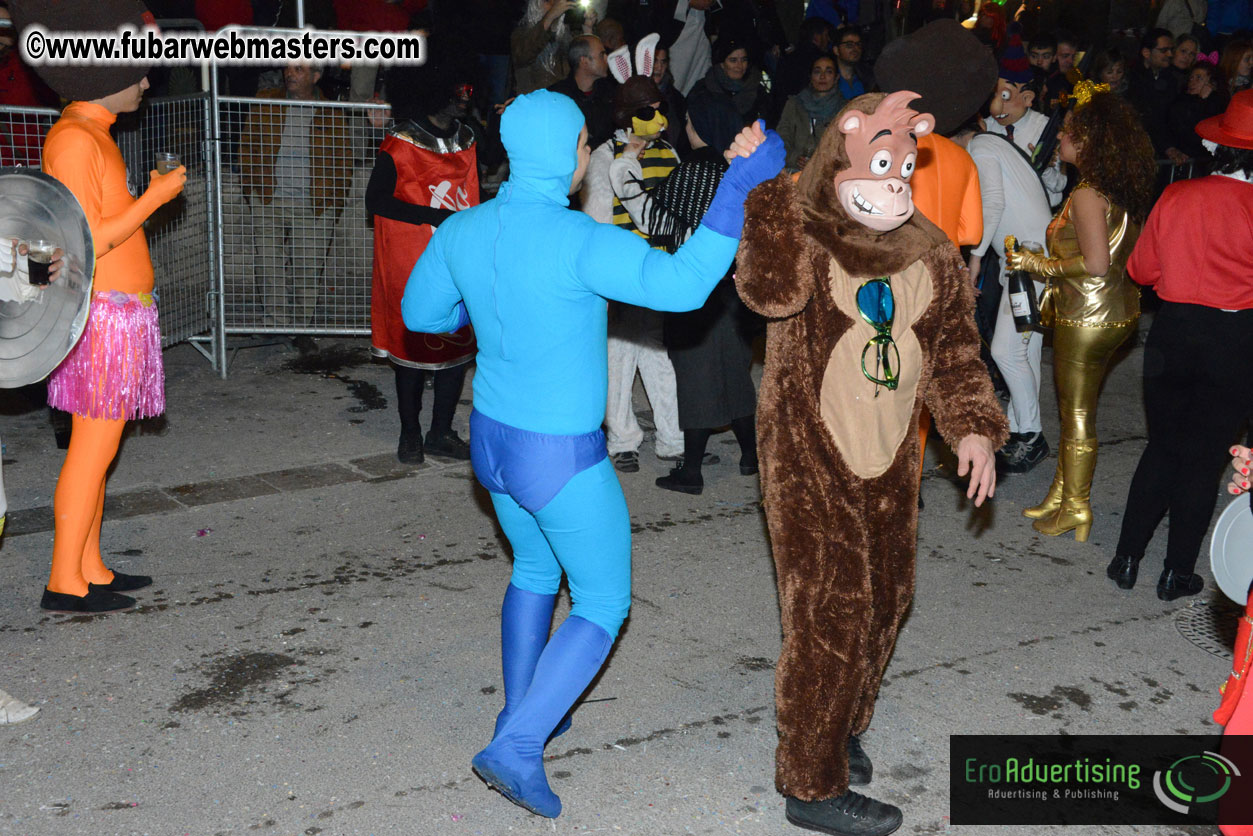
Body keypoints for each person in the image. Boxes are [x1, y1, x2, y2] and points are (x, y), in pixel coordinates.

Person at [401, 89, 783, 818]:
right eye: (583, 143)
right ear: (573, 152)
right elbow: (683, 284)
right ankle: (516, 743)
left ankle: (529, 710)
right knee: (604, 600)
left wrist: (479, 304)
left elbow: (422, 317)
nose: (587, 154)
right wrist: (738, 184)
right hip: (559, 455)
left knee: (536, 568)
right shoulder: (582, 238)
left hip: (491, 443)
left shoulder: (462, 230)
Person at [737, 90, 1005, 836]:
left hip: (891, 458)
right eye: (876, 164)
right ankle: (810, 784)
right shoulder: (808, 232)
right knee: (830, 610)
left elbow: (953, 352)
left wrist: (974, 430)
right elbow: (766, 293)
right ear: (840, 156)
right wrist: (768, 199)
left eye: (902, 168)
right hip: (809, 454)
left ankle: (840, 724)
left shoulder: (930, 250)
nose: (893, 183)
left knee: (886, 599)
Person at [12, 0, 187, 613]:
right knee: (92, 450)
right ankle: (64, 580)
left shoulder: (91, 135)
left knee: (102, 451)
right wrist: (155, 198)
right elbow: (90, 237)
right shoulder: (75, 140)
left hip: (121, 311)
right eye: (137, 72)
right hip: (102, 315)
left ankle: (89, 566)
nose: (144, 82)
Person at [1107, 90, 1253, 601]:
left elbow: (1140, 270)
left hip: (1174, 333)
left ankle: (1126, 558)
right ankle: (1176, 574)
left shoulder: (1178, 196)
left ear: (1219, 145)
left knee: (1163, 446)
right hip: (1235, 339)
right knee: (1204, 458)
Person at [1006, 82, 1157, 543]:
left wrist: (1037, 264)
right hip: (1115, 311)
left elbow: (1094, 262)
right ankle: (1061, 491)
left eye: (1069, 132)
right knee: (1076, 409)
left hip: (1087, 316)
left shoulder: (1090, 193)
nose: (1061, 139)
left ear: (1089, 141)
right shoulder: (1116, 187)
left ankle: (1076, 506)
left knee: (1074, 415)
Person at [630, 93, 762, 494]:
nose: (684, 128)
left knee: (696, 378)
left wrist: (626, 171)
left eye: (689, 122)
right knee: (735, 373)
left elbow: (654, 219)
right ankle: (751, 455)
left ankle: (691, 473)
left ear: (701, 127)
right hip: (737, 291)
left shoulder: (693, 171)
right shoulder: (741, 171)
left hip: (696, 288)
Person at [366, 61, 479, 465]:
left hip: (455, 261)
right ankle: (410, 433)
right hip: (411, 262)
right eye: (460, 87)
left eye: (470, 87)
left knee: (458, 347)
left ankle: (441, 431)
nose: (468, 94)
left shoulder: (468, 137)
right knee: (411, 351)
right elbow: (375, 201)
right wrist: (435, 218)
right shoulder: (400, 141)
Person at [582, 69, 685, 472]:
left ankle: (672, 439)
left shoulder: (667, 151)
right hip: (623, 271)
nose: (659, 117)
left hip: (657, 267)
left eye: (661, 109)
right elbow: (598, 216)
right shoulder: (606, 155)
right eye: (650, 110)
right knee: (620, 355)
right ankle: (622, 438)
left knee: (658, 353)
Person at [953, 121, 1054, 474]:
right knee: (1026, 351)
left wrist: (976, 257)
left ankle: (1031, 435)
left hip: (1029, 261)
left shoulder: (980, 149)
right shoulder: (994, 145)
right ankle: (1020, 430)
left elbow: (992, 205)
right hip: (1031, 259)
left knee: (1004, 351)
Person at [239, 62, 351, 347]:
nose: (290, 74)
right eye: (288, 68)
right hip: (268, 197)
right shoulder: (267, 102)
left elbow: (344, 161)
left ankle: (301, 327)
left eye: (299, 70)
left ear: (316, 76)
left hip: (313, 203)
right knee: (268, 263)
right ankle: (275, 323)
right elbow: (247, 144)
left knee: (307, 267)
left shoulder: (331, 112)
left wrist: (332, 202)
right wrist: (250, 187)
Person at [547, 35, 617, 150]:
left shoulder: (610, 93)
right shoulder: (556, 97)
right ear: (584, 61)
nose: (607, 58)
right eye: (601, 55)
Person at [777, 55, 842, 171]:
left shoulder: (844, 109)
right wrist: (795, 159)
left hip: (827, 174)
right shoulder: (794, 104)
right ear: (810, 76)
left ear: (836, 77)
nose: (822, 77)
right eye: (817, 72)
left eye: (829, 72)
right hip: (793, 172)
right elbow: (781, 140)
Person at [511, 0, 588, 96]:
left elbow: (585, 63)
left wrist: (588, 29)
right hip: (534, 100)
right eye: (548, 1)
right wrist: (550, 16)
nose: (554, 5)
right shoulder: (522, 32)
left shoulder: (567, 35)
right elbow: (522, 56)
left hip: (562, 99)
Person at [693, 39, 770, 125]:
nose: (739, 66)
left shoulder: (757, 88)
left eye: (744, 60)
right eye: (733, 60)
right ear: (722, 64)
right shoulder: (704, 88)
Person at [1167, 62, 1227, 162]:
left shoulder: (1218, 104)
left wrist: (1202, 101)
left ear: (1212, 84)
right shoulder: (1180, 101)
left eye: (1198, 78)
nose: (1192, 82)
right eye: (1191, 78)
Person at [832, 24, 873, 101]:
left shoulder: (868, 78)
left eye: (858, 45)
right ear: (836, 50)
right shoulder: (828, 78)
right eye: (849, 45)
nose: (855, 49)